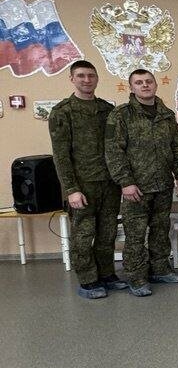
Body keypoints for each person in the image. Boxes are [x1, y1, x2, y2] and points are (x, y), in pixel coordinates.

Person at [47, 59, 127, 299]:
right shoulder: (63, 112)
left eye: (91, 75)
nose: (86, 80)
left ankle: (107, 274)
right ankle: (88, 280)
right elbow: (61, 155)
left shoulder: (107, 109)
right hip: (82, 185)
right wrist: (71, 189)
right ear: (72, 79)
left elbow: (116, 147)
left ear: (97, 79)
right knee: (83, 234)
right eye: (81, 76)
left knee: (108, 232)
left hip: (109, 183)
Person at [104, 68, 178, 296]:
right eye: (139, 82)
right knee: (136, 235)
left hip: (163, 184)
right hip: (136, 187)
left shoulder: (166, 114)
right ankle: (136, 277)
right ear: (131, 87)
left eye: (148, 81)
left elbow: (176, 147)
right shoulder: (121, 115)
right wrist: (125, 182)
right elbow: (114, 151)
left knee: (161, 230)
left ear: (155, 84)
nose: (145, 85)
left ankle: (160, 269)